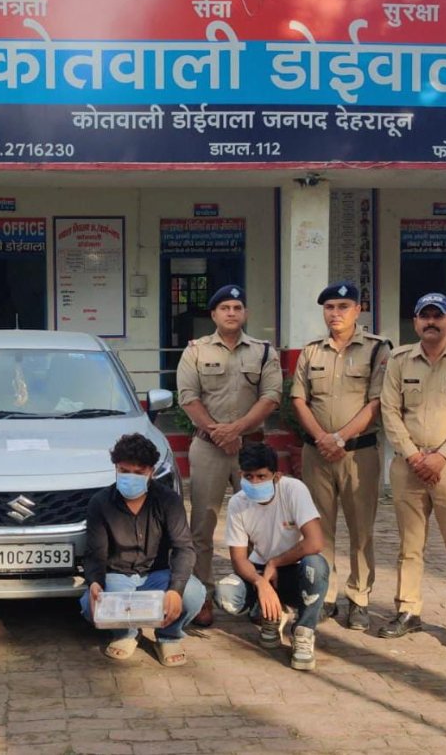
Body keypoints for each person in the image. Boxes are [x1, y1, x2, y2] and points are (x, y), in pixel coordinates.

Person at [379, 293, 446, 651]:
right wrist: (414, 456)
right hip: (408, 466)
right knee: (410, 545)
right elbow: (390, 411)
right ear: (415, 322)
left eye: (437, 316)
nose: (430, 322)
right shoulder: (399, 360)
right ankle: (408, 609)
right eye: (424, 316)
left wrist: (440, 457)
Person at [175, 284, 282, 626]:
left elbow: (271, 396)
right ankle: (202, 595)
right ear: (214, 315)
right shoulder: (195, 351)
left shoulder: (263, 352)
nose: (231, 313)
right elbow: (188, 397)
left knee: (259, 525)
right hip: (209, 447)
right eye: (225, 308)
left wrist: (236, 430)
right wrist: (219, 433)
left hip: (252, 448)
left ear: (245, 313)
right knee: (202, 524)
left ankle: (256, 593)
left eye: (237, 307)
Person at [291, 282, 390, 630]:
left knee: (361, 529)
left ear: (358, 310)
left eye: (343, 306)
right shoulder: (311, 351)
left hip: (358, 454)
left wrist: (340, 438)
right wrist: (323, 438)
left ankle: (359, 598)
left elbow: (376, 402)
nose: (335, 313)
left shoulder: (377, 349)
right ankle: (326, 594)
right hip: (316, 453)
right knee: (319, 527)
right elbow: (299, 399)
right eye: (329, 307)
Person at [80, 433, 205, 667]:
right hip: (117, 576)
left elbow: (184, 548)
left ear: (151, 472)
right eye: (124, 470)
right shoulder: (100, 502)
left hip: (158, 575)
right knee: (90, 604)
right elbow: (95, 553)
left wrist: (175, 590)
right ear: (116, 468)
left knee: (193, 593)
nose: (131, 477)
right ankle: (126, 634)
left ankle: (169, 636)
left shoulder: (168, 500)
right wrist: (95, 582)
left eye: (139, 472)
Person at [215, 443, 328, 671]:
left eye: (261, 476)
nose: (254, 482)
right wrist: (260, 583)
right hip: (259, 570)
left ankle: (304, 631)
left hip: (294, 569)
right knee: (225, 593)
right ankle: (272, 614)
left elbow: (315, 542)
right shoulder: (238, 502)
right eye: (248, 476)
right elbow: (238, 559)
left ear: (277, 476)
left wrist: (275, 562)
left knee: (316, 566)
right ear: (240, 475)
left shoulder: (294, 490)